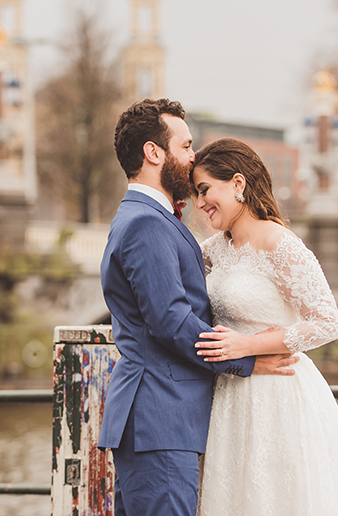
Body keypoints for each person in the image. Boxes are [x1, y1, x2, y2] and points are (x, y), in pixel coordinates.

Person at [98, 100, 299, 516]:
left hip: (162, 421)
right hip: (160, 418)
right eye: (186, 146)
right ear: (155, 153)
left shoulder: (146, 217)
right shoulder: (146, 223)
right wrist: (245, 358)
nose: (192, 159)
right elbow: (170, 320)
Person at [190, 137, 338, 516]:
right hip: (229, 396)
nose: (199, 203)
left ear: (238, 184)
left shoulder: (280, 243)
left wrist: (247, 346)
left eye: (205, 190)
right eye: (197, 193)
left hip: (277, 393)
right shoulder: (215, 249)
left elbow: (327, 322)